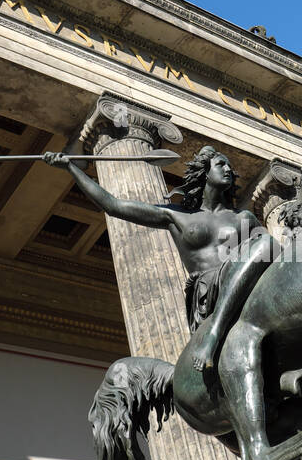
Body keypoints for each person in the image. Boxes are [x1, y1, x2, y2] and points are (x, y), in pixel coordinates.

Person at [42, 146, 276, 374]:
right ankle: (213, 334)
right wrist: (72, 168)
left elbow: (272, 256)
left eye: (229, 166)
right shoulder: (175, 215)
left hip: (240, 283)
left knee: (268, 245)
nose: (228, 169)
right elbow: (113, 206)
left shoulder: (243, 217)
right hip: (208, 294)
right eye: (221, 164)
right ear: (205, 173)